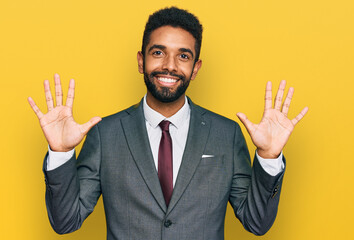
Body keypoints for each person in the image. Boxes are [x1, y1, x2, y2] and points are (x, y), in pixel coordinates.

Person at [28, 7, 308, 240]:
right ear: (141, 61)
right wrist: (61, 153)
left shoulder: (226, 134)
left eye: (183, 56)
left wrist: (269, 157)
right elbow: (65, 222)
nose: (170, 66)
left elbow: (256, 223)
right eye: (158, 52)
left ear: (195, 68)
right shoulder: (105, 134)